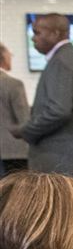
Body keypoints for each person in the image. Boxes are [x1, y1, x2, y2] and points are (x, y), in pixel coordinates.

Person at [14, 13, 73, 175]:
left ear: (55, 33)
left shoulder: (62, 60)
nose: (33, 38)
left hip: (61, 155)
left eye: (37, 32)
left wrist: (27, 131)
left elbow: (58, 110)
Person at [0, 42, 29, 175]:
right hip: (13, 151)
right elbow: (24, 120)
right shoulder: (13, 85)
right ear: (3, 58)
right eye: (10, 55)